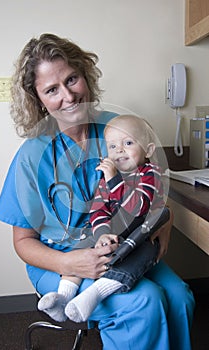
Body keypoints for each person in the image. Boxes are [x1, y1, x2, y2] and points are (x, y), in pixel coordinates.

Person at [0, 33, 195, 350]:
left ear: (85, 75)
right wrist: (68, 264)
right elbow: (23, 242)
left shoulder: (121, 129)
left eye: (71, 79)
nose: (68, 96)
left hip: (126, 247)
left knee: (180, 298)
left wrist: (165, 223)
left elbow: (151, 184)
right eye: (51, 90)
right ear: (38, 99)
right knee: (143, 303)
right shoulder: (32, 156)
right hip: (59, 262)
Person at [38, 114, 165, 323]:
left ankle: (93, 295)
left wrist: (114, 180)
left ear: (148, 150)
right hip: (112, 235)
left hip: (139, 237)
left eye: (128, 143)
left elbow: (138, 208)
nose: (119, 150)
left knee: (141, 255)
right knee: (82, 248)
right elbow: (98, 210)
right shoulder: (107, 179)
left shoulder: (150, 174)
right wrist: (103, 235)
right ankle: (63, 298)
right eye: (112, 146)